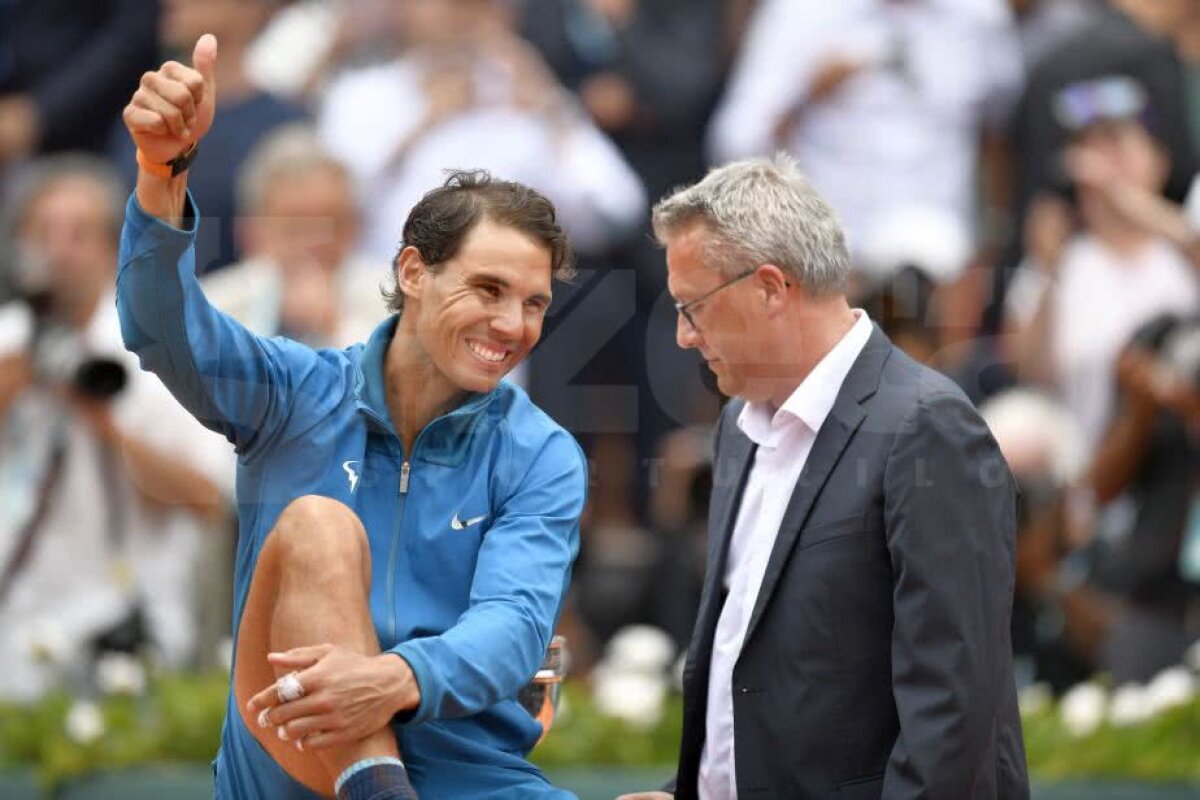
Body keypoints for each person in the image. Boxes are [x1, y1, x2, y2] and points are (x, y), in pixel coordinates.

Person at [118, 34, 587, 800]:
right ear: (412, 273)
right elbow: (161, 329)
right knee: (318, 526)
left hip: (470, 776)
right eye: (489, 288)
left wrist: (391, 680)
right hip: (288, 758)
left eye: (534, 303)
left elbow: (513, 627)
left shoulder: (542, 453)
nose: (513, 323)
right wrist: (158, 176)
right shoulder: (294, 391)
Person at [619, 156, 1029, 800]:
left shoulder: (928, 427)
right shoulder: (737, 428)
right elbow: (757, 678)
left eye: (690, 308)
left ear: (771, 289)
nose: (681, 337)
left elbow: (952, 714)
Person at [0, 155, 230, 701]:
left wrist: (105, 424)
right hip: (15, 616)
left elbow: (209, 498)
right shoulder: (7, 342)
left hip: (122, 631)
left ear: (110, 249)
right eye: (42, 233)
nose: (58, 252)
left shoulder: (159, 350)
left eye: (78, 234)